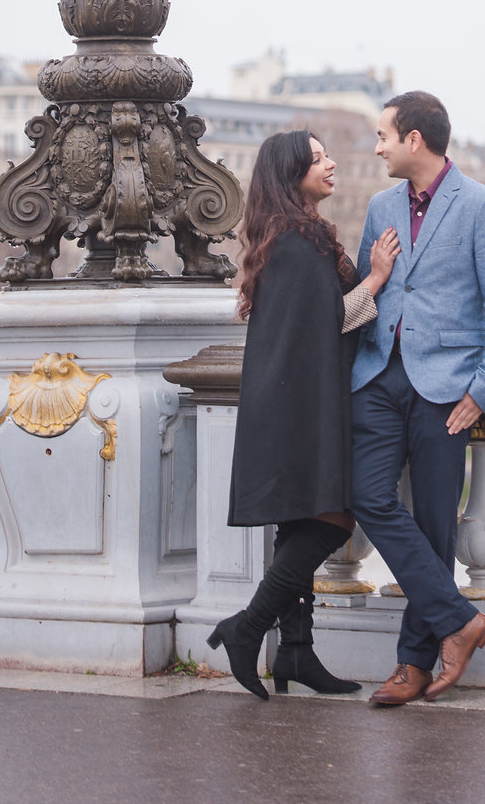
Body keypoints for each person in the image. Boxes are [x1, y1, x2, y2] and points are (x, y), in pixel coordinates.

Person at [208, 129, 400, 699]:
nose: (332, 164)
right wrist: (376, 278)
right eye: (318, 160)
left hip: (287, 400)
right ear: (291, 175)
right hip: (299, 404)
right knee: (330, 517)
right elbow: (328, 323)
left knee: (296, 520)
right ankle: (247, 629)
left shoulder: (284, 236)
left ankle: (296, 651)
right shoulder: (299, 239)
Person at [351, 91, 485, 704]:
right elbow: (367, 294)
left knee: (432, 523)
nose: (376, 148)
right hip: (378, 377)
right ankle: (461, 620)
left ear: (415, 139)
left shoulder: (482, 206)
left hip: (447, 388)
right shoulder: (380, 206)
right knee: (367, 495)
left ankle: (412, 664)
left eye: (383, 136)